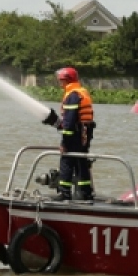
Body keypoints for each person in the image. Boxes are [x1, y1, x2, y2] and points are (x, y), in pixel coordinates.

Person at [50, 66, 95, 201]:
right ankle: (85, 193)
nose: (60, 83)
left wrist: (64, 143)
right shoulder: (81, 92)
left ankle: (65, 193)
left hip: (75, 133)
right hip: (84, 132)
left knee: (66, 160)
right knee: (81, 161)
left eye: (61, 80)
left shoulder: (72, 95)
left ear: (67, 80)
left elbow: (69, 122)